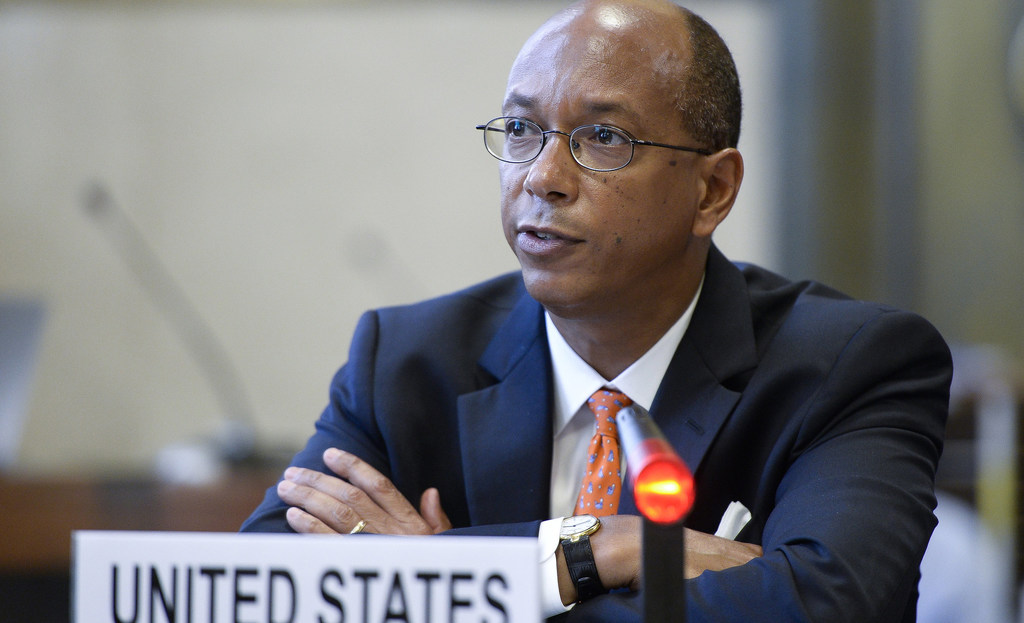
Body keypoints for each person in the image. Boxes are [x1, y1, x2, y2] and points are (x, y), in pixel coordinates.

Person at [241, 1, 952, 621]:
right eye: (521, 129)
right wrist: (603, 549)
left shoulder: (851, 364)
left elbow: (831, 606)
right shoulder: (404, 359)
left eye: (604, 139)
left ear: (712, 190)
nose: (542, 177)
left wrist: (439, 579)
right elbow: (258, 586)